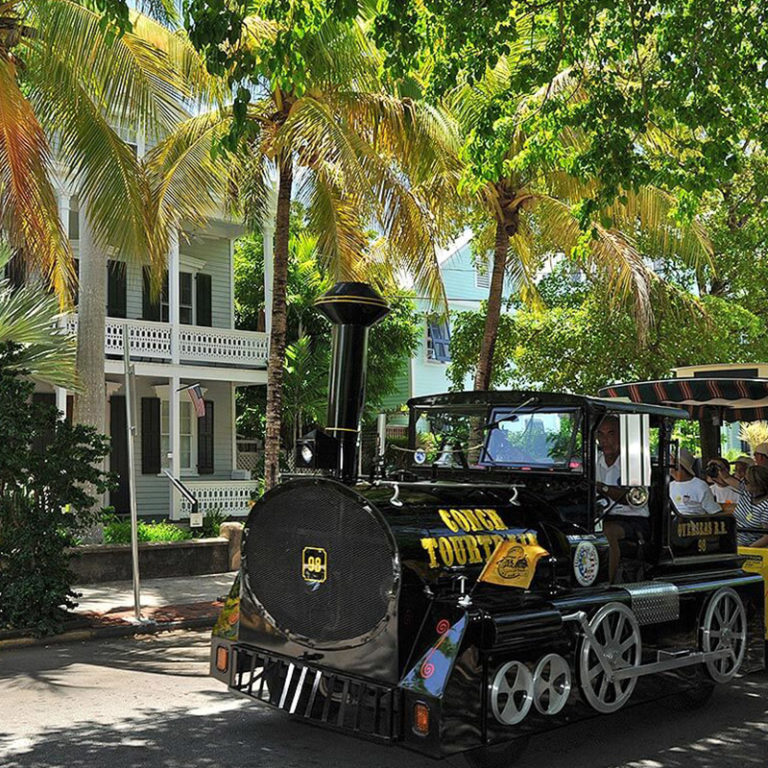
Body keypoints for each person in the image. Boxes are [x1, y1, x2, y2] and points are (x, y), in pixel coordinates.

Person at [595, 415, 650, 581]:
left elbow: (635, 499)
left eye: (611, 434)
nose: (605, 440)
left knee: (607, 532)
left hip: (635, 520)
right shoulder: (594, 463)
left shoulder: (635, 465)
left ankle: (607, 584)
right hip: (601, 517)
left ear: (621, 436)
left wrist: (602, 487)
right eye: (601, 435)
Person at [715, 463, 768, 547]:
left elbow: (766, 537)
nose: (742, 481)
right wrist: (721, 469)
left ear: (757, 485)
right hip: (731, 539)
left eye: (746, 481)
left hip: (748, 547)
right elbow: (726, 478)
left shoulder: (765, 507)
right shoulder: (747, 492)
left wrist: (747, 550)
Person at [670, 448, 721, 515]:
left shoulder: (700, 486)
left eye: (671, 463)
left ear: (679, 467)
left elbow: (713, 511)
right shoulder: (669, 486)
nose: (669, 467)